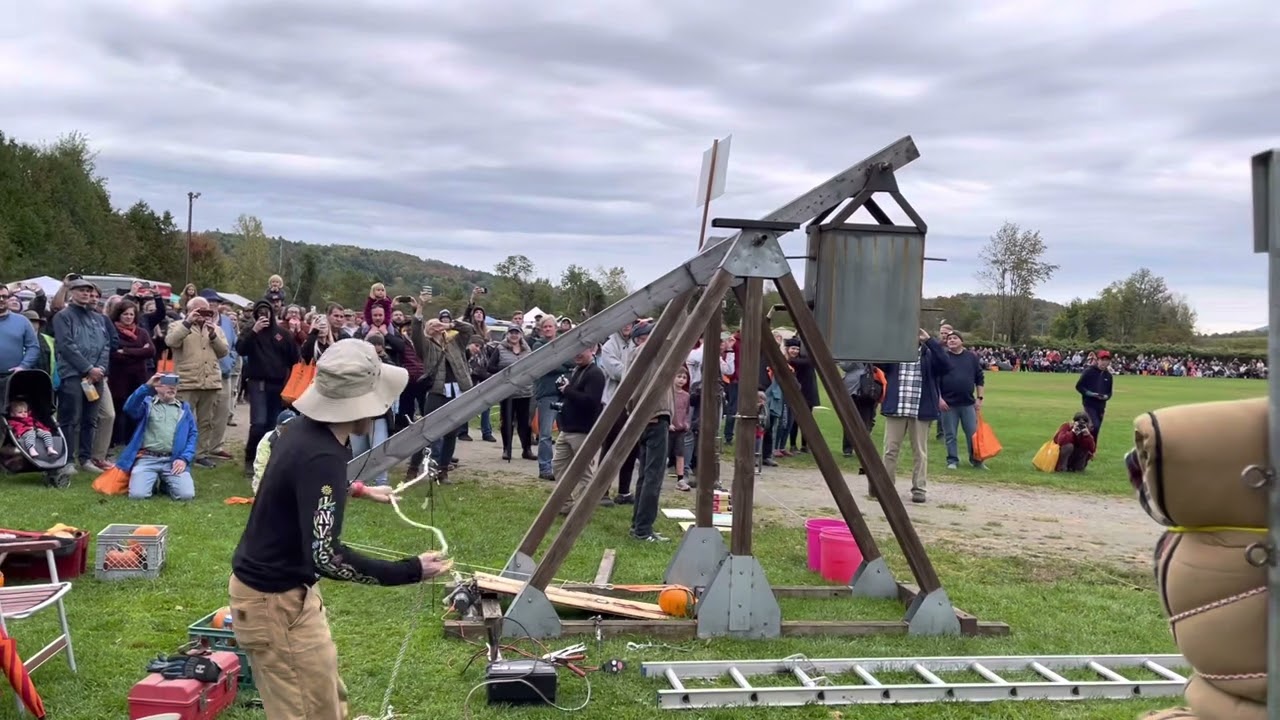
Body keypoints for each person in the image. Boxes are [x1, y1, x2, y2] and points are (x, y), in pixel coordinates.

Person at [228, 339, 451, 719]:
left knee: (327, 699)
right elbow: (326, 557)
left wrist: (358, 490)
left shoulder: (302, 431)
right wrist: (411, 570)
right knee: (306, 711)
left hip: (290, 595)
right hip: (273, 602)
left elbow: (297, 484)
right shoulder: (323, 455)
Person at [117, 374, 198, 501]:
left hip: (173, 460)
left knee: (186, 496)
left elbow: (193, 435)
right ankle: (152, 481)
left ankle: (166, 485)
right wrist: (146, 386)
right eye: (167, 384)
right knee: (138, 496)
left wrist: (184, 459)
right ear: (157, 387)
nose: (172, 388)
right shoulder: (146, 405)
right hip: (147, 459)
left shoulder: (184, 409)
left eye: (174, 385)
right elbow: (129, 407)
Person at [554, 346, 607, 515]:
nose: (577, 353)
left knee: (584, 472)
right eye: (576, 349)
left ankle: (583, 510)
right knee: (559, 466)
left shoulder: (595, 374)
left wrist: (568, 390)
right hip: (568, 428)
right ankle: (566, 504)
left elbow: (591, 402)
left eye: (582, 350)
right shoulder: (577, 370)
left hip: (583, 431)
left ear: (593, 350)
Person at [937, 331, 987, 471]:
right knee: (950, 434)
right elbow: (935, 380)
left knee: (972, 434)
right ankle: (952, 460)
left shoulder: (971, 357)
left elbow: (979, 378)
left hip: (968, 403)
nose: (951, 340)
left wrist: (979, 398)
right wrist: (939, 399)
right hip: (948, 404)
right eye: (949, 339)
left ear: (961, 341)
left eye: (955, 338)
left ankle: (976, 461)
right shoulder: (943, 357)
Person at [251, 409, 297, 495]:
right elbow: (261, 466)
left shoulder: (299, 439)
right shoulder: (268, 439)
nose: (289, 427)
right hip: (269, 478)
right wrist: (261, 491)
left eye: (292, 424)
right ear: (279, 425)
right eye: (285, 425)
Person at [1075, 349, 1114, 444]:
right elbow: (1079, 386)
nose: (1104, 362)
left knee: (1097, 428)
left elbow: (1109, 392)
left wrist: (1105, 397)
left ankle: (1091, 448)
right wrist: (1090, 394)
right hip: (1089, 404)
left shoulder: (1108, 376)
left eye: (1107, 360)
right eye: (1102, 359)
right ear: (1098, 360)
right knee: (1094, 426)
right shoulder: (1089, 371)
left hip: (1101, 406)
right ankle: (1085, 446)